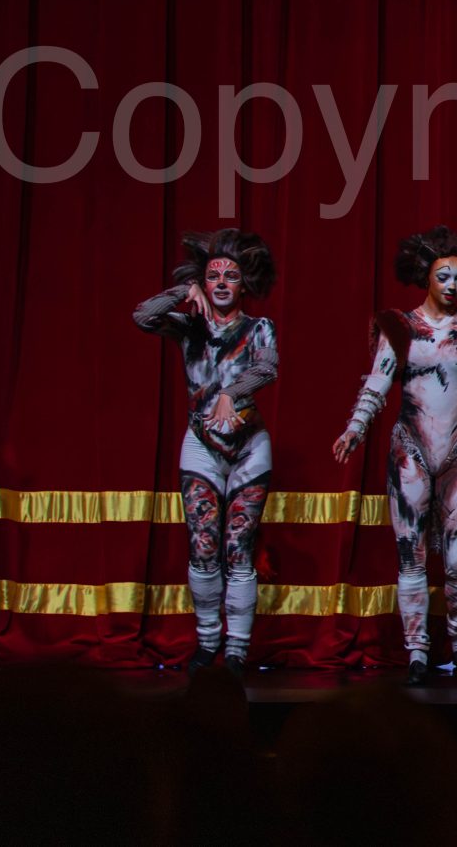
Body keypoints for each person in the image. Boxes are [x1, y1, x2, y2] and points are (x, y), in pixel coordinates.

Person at [332, 226, 457, 685]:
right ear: (426, 276)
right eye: (443, 276)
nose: (452, 285)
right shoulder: (400, 326)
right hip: (411, 450)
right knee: (411, 556)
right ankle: (417, 652)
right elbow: (379, 379)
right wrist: (355, 427)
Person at [133, 228, 280, 672]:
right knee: (202, 544)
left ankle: (236, 648)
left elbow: (267, 368)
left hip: (249, 448)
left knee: (238, 545)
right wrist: (183, 291)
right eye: (212, 276)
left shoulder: (258, 328)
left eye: (230, 276)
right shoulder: (189, 327)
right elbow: (141, 317)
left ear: (244, 284)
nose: (220, 283)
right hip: (202, 446)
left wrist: (230, 393)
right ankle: (208, 640)